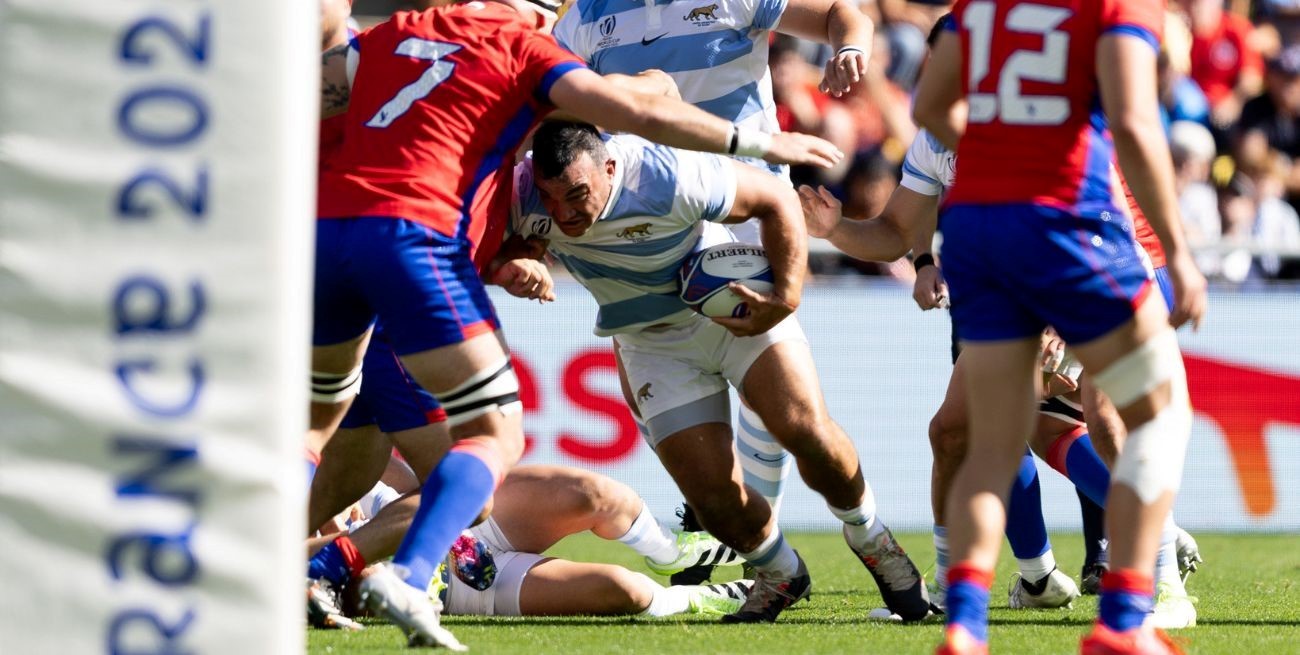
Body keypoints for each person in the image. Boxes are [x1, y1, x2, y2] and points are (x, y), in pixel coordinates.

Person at [311, 0, 841, 647]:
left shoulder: (398, 34)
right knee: (490, 447)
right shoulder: (523, 50)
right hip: (410, 248)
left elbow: (322, 84)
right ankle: (394, 569)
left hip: (328, 237)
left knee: (334, 442)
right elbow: (639, 107)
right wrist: (757, 141)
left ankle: (270, 561)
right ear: (533, 14)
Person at [507, 120, 931, 624]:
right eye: (551, 200)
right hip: (650, 342)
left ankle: (871, 537)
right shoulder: (517, 193)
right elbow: (479, 245)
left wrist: (785, 297)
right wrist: (512, 261)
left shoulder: (667, 175)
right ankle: (780, 572)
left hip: (733, 310)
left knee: (806, 433)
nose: (564, 213)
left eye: (576, 194)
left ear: (611, 167)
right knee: (713, 502)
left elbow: (775, 197)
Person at [913, 0, 1207, 653]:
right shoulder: (1117, 4)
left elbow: (929, 107)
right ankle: (1128, 620)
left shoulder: (978, 5)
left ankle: (965, 624)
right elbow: (1132, 121)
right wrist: (1181, 252)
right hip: (1068, 220)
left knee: (994, 441)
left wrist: (998, 152)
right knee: (1159, 410)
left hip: (975, 227)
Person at [552, 0, 875, 580]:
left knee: (779, 404)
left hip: (749, 212)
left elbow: (839, 12)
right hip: (649, 211)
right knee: (651, 392)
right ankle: (733, 525)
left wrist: (849, 47)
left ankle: (823, 536)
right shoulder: (580, 19)